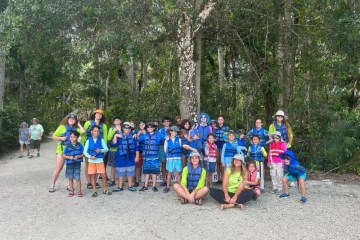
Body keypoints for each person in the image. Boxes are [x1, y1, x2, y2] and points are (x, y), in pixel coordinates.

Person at [49, 114, 85, 192]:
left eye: (73, 119)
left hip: (71, 152)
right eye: (70, 119)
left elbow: (83, 131)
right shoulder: (62, 127)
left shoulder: (76, 129)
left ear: (75, 121)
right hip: (62, 151)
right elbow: (53, 136)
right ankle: (52, 185)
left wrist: (79, 124)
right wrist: (61, 138)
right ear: (67, 119)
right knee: (58, 168)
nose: (71, 120)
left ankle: (69, 186)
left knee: (70, 168)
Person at [83, 109, 108, 190]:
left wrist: (103, 150)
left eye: (100, 114)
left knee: (97, 164)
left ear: (102, 116)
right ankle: (89, 182)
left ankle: (95, 181)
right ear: (94, 114)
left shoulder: (103, 125)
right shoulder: (88, 123)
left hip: (99, 147)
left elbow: (105, 137)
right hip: (89, 146)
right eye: (97, 113)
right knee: (88, 164)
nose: (99, 115)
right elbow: (83, 135)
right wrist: (82, 147)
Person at [83, 125, 111, 197]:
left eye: (98, 131)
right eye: (95, 131)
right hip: (91, 161)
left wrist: (100, 150)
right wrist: (90, 157)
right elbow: (85, 151)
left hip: (100, 160)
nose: (96, 132)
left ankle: (104, 189)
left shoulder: (101, 140)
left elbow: (106, 149)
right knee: (93, 175)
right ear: (91, 132)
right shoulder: (88, 140)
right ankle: (94, 190)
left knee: (103, 176)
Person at [111, 123, 139, 192]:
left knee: (130, 172)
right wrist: (115, 136)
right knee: (120, 172)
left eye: (129, 129)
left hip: (131, 157)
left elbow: (137, 147)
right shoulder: (119, 136)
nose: (127, 130)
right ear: (123, 129)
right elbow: (114, 144)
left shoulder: (133, 136)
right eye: (125, 128)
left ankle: (130, 186)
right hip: (121, 157)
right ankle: (120, 186)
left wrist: (137, 156)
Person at [140, 122, 162, 192]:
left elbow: (164, 138)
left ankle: (154, 186)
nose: (149, 128)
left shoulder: (158, 135)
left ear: (154, 128)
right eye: (148, 127)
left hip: (154, 155)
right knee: (146, 171)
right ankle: (145, 186)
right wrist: (136, 134)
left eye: (151, 127)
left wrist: (167, 137)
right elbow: (139, 140)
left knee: (154, 172)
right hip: (146, 156)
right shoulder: (144, 135)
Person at [62, 131, 84, 197]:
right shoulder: (68, 146)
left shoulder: (80, 145)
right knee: (70, 177)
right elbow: (63, 155)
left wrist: (78, 156)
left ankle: (79, 191)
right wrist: (69, 157)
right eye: (71, 137)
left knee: (77, 177)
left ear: (77, 138)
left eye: (74, 137)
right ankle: (71, 190)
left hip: (77, 163)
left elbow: (83, 154)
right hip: (69, 163)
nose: (72, 138)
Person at [163, 126, 182, 193]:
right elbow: (165, 150)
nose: (175, 133)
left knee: (178, 173)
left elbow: (180, 147)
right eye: (174, 131)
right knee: (169, 173)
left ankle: (180, 187)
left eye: (176, 132)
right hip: (170, 158)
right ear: (170, 132)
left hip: (178, 158)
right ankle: (167, 187)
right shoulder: (167, 140)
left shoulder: (179, 139)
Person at [107, 116, 122, 187]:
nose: (117, 121)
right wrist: (114, 132)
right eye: (115, 120)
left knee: (121, 165)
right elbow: (108, 138)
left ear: (120, 121)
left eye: (118, 120)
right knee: (113, 166)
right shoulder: (111, 128)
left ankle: (120, 180)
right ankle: (112, 180)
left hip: (121, 149)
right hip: (113, 149)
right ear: (113, 122)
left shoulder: (123, 128)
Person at [214, 115, 229, 184]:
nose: (220, 121)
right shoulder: (214, 127)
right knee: (218, 162)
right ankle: (218, 179)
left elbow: (228, 136)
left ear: (223, 120)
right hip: (216, 144)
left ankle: (223, 179)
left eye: (221, 119)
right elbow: (212, 136)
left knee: (222, 162)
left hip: (223, 144)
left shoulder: (226, 128)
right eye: (219, 119)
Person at [158, 117, 171, 187]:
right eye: (165, 121)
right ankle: (164, 180)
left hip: (170, 147)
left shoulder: (172, 129)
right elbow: (159, 138)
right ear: (163, 123)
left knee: (169, 164)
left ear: (169, 122)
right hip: (162, 147)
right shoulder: (160, 130)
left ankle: (168, 180)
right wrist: (165, 137)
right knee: (163, 164)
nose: (166, 122)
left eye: (167, 121)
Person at [134, 120, 147, 187]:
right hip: (139, 151)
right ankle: (137, 181)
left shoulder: (148, 132)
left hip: (147, 151)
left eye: (143, 124)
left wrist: (144, 133)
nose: (142, 126)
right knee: (138, 166)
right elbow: (136, 141)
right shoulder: (136, 132)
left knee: (145, 166)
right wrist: (138, 135)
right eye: (140, 125)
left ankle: (145, 181)